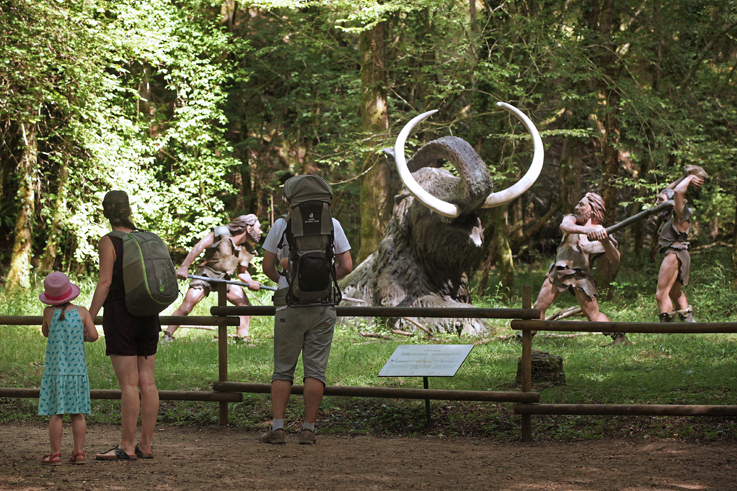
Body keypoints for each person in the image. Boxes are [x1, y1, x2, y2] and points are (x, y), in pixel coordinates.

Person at [260, 176, 353, 445]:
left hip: (290, 306)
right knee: (315, 371)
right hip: (323, 306)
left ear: (290, 200)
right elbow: (346, 266)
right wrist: (325, 280)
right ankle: (308, 429)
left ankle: (278, 428)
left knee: (282, 371)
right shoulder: (332, 224)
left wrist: (287, 282)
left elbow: (267, 266)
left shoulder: (281, 225)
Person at [89, 190, 160, 461]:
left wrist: (89, 317)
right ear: (128, 210)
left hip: (121, 317)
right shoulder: (144, 237)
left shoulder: (109, 241)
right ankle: (145, 445)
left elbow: (105, 282)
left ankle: (127, 447)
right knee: (148, 383)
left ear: (106, 212)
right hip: (148, 315)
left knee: (129, 385)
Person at [532, 192, 630, 345]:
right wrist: (587, 230)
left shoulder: (601, 231)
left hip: (581, 277)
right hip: (559, 272)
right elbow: (565, 226)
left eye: (581, 205)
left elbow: (615, 259)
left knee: (593, 316)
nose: (577, 207)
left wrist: (605, 241)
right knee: (539, 306)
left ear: (592, 209)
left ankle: (619, 337)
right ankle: (525, 335)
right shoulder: (571, 219)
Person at [163, 214, 262, 342]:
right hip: (206, 274)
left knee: (244, 305)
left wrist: (251, 282)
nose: (261, 232)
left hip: (224, 278)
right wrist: (184, 266)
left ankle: (242, 338)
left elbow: (242, 272)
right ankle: (167, 335)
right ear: (249, 228)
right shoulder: (221, 234)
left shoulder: (246, 249)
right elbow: (200, 246)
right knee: (187, 306)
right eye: (259, 228)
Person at [38, 272, 99, 465]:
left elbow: (46, 332)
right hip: (77, 371)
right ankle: (79, 453)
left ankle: (55, 454)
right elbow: (94, 336)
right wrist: (82, 336)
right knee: (77, 413)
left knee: (56, 413)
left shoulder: (48, 312)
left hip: (56, 371)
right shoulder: (83, 312)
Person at [655, 167, 706, 322]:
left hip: (674, 253)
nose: (656, 202)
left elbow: (677, 192)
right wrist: (684, 176)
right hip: (678, 253)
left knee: (661, 294)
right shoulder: (671, 214)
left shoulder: (679, 213)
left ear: (670, 202)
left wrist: (690, 177)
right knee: (674, 291)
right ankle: (689, 323)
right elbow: (669, 190)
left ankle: (667, 328)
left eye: (659, 200)